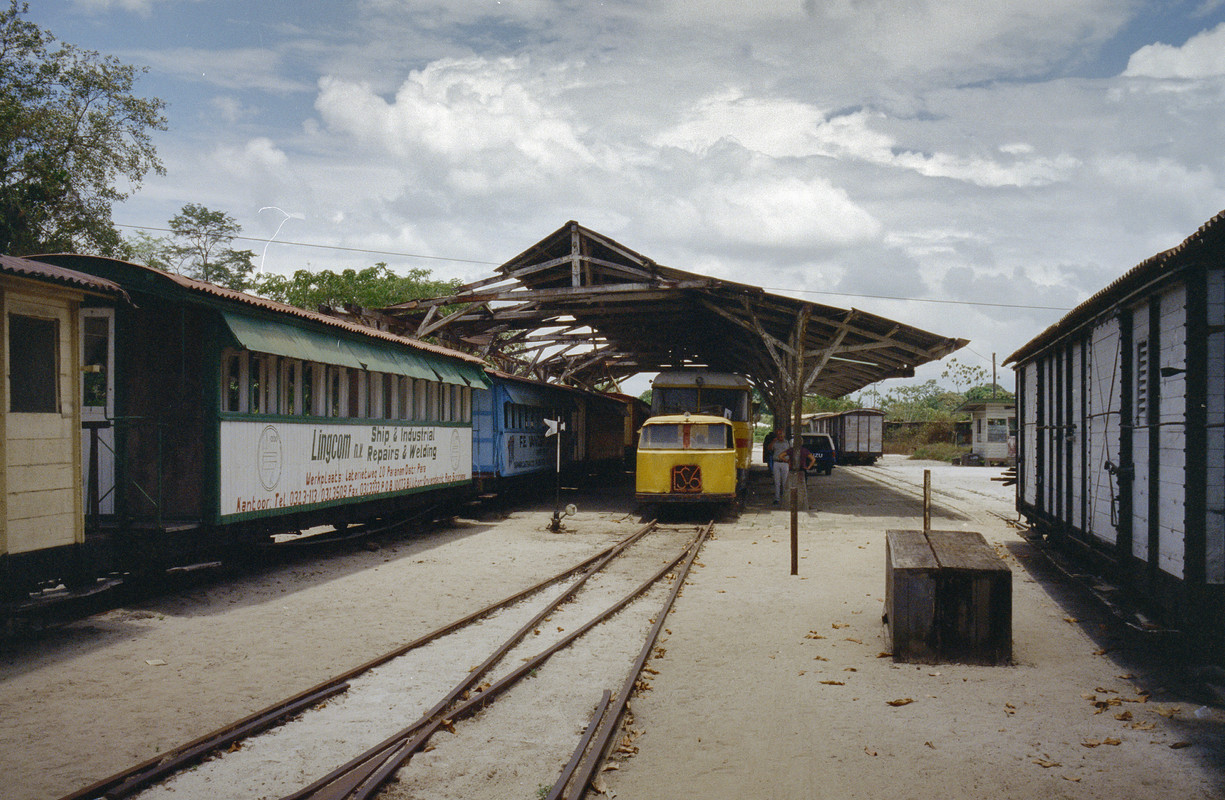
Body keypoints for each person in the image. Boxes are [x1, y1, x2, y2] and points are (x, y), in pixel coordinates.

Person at [769, 430, 790, 504]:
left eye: (781, 434)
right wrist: (773, 441)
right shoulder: (775, 443)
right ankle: (777, 498)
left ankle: (785, 498)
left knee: (785, 481)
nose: (780, 436)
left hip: (785, 463)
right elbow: (770, 448)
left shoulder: (787, 443)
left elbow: (790, 452)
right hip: (776, 462)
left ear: (784, 435)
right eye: (778, 435)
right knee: (777, 482)